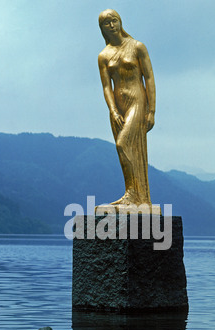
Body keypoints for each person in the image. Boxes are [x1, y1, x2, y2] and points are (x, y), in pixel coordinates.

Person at [98, 9, 156, 206]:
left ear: (120, 22)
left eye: (114, 21)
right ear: (102, 29)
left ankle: (133, 194)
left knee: (122, 144)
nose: (111, 25)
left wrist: (152, 110)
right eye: (106, 23)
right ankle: (133, 194)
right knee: (124, 149)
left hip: (137, 101)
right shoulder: (104, 56)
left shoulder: (137, 47)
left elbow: (149, 78)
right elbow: (106, 86)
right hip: (118, 106)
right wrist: (113, 110)